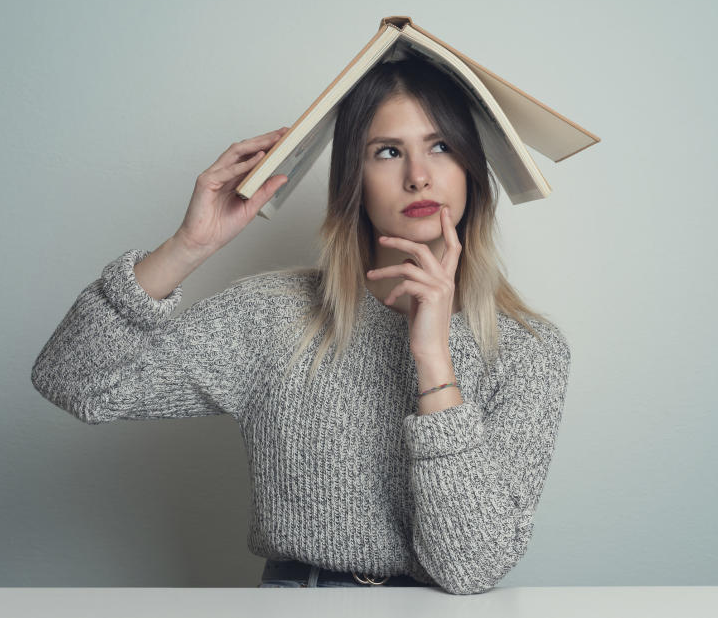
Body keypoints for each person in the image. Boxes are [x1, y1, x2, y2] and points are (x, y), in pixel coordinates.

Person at [30, 56, 572, 594]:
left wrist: (433, 358)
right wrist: (188, 247)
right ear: (352, 178)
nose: (418, 177)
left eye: (441, 146)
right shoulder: (275, 315)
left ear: (473, 170)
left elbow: (472, 569)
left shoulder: (530, 351)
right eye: (388, 151)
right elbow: (74, 382)